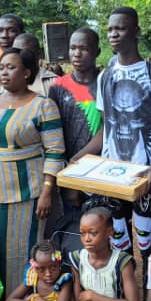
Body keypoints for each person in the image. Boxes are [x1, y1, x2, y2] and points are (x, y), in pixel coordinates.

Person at [75, 7, 151, 273]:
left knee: (147, 242)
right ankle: (126, 298)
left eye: (120, 28)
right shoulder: (105, 77)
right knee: (119, 241)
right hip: (112, 176)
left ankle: (149, 298)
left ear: (136, 31)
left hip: (145, 176)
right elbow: (105, 131)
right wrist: (80, 157)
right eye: (110, 29)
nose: (113, 34)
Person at [0, 47, 64, 293]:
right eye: (2, 67)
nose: (4, 72)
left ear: (27, 73)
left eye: (11, 67)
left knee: (23, 248)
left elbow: (55, 151)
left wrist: (46, 192)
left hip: (27, 191)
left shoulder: (43, 105)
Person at [52, 28, 102, 249]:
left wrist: (78, 162)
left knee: (98, 235)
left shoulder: (104, 84)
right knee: (69, 236)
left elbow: (107, 130)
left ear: (97, 51)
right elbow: (52, 133)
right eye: (73, 48)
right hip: (64, 174)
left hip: (99, 173)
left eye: (84, 48)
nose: (77, 53)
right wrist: (68, 175)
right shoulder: (58, 87)